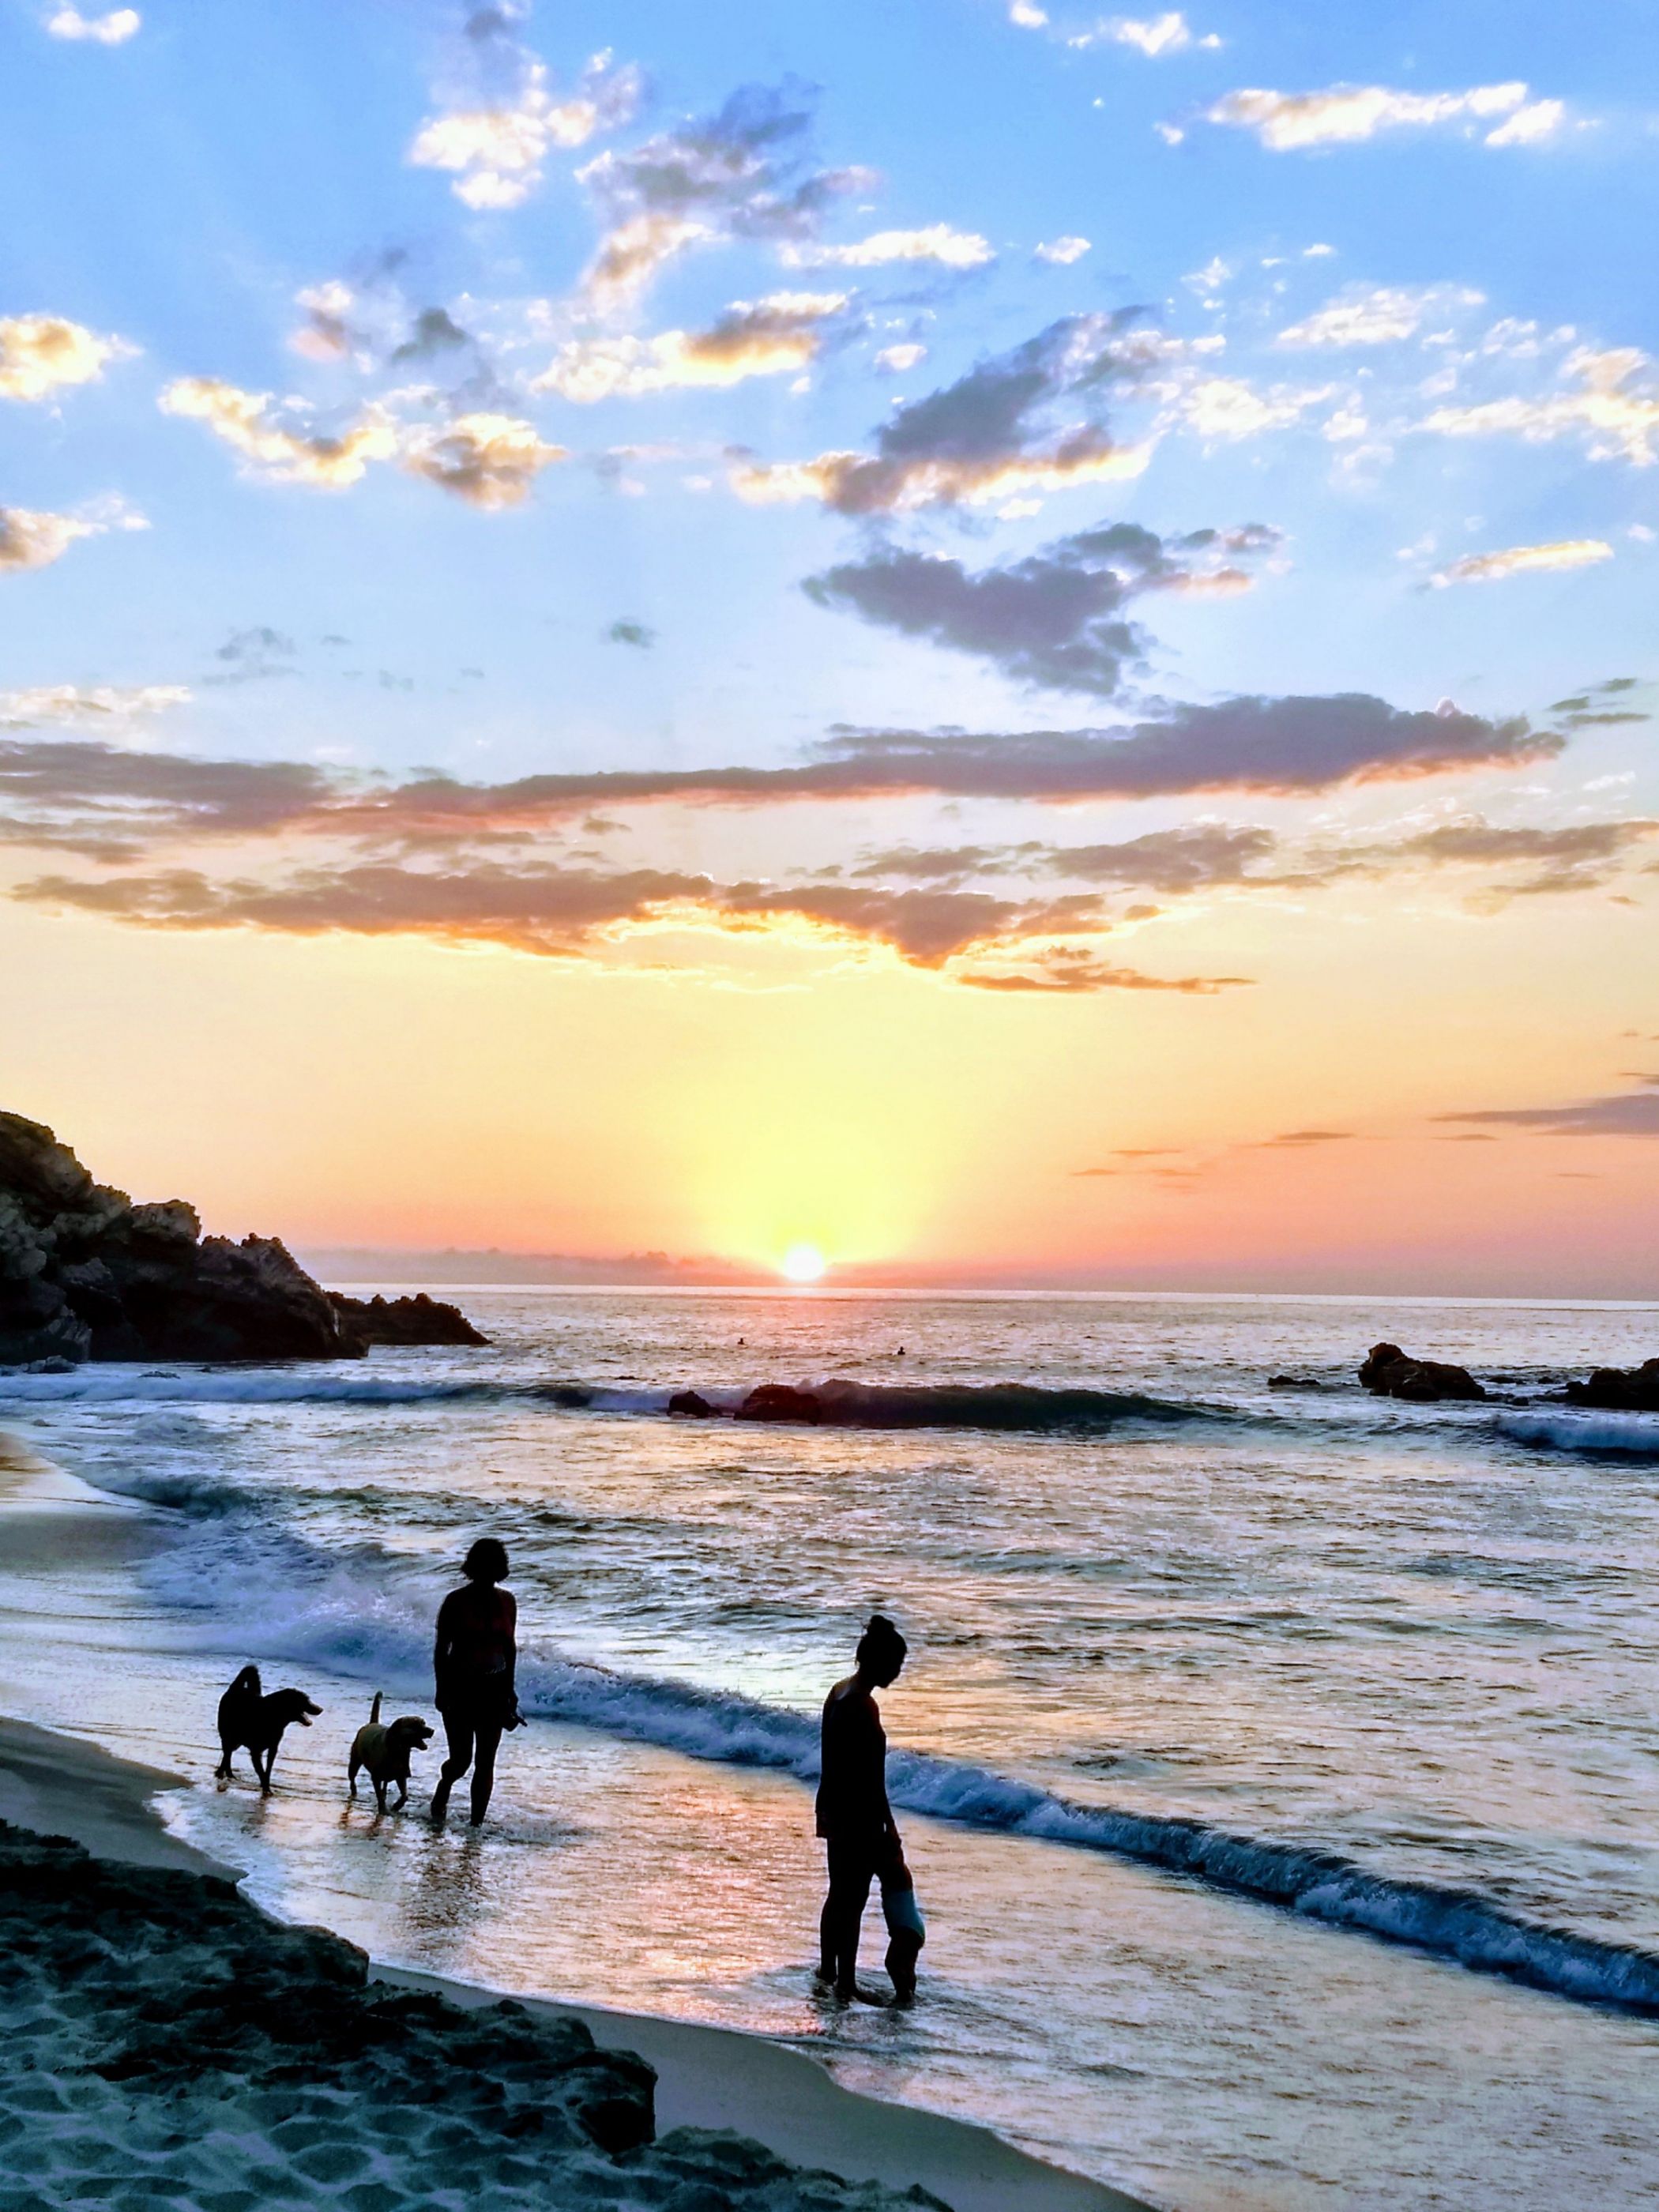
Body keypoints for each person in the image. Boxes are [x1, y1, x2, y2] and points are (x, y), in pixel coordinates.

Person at [815, 1612, 916, 2002]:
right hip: (857, 1812)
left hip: (833, 1804)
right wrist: (888, 1827)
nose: (898, 1672)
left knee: (839, 1893)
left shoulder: (838, 1691)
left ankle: (829, 1968)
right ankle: (847, 1982)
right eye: (897, 1664)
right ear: (880, 1660)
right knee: (852, 1899)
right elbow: (873, 1779)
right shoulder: (862, 1705)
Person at [431, 1538, 521, 1826]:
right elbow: (441, 1649)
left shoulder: (508, 1602)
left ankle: (476, 1825)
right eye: (484, 1566)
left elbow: (510, 1648)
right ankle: (444, 1786)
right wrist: (441, 1689)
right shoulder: (455, 1601)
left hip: (493, 1688)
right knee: (460, 1761)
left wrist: (510, 1690)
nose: (489, 1573)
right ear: (473, 1568)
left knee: (486, 1762)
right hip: (459, 1687)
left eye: (495, 1567)